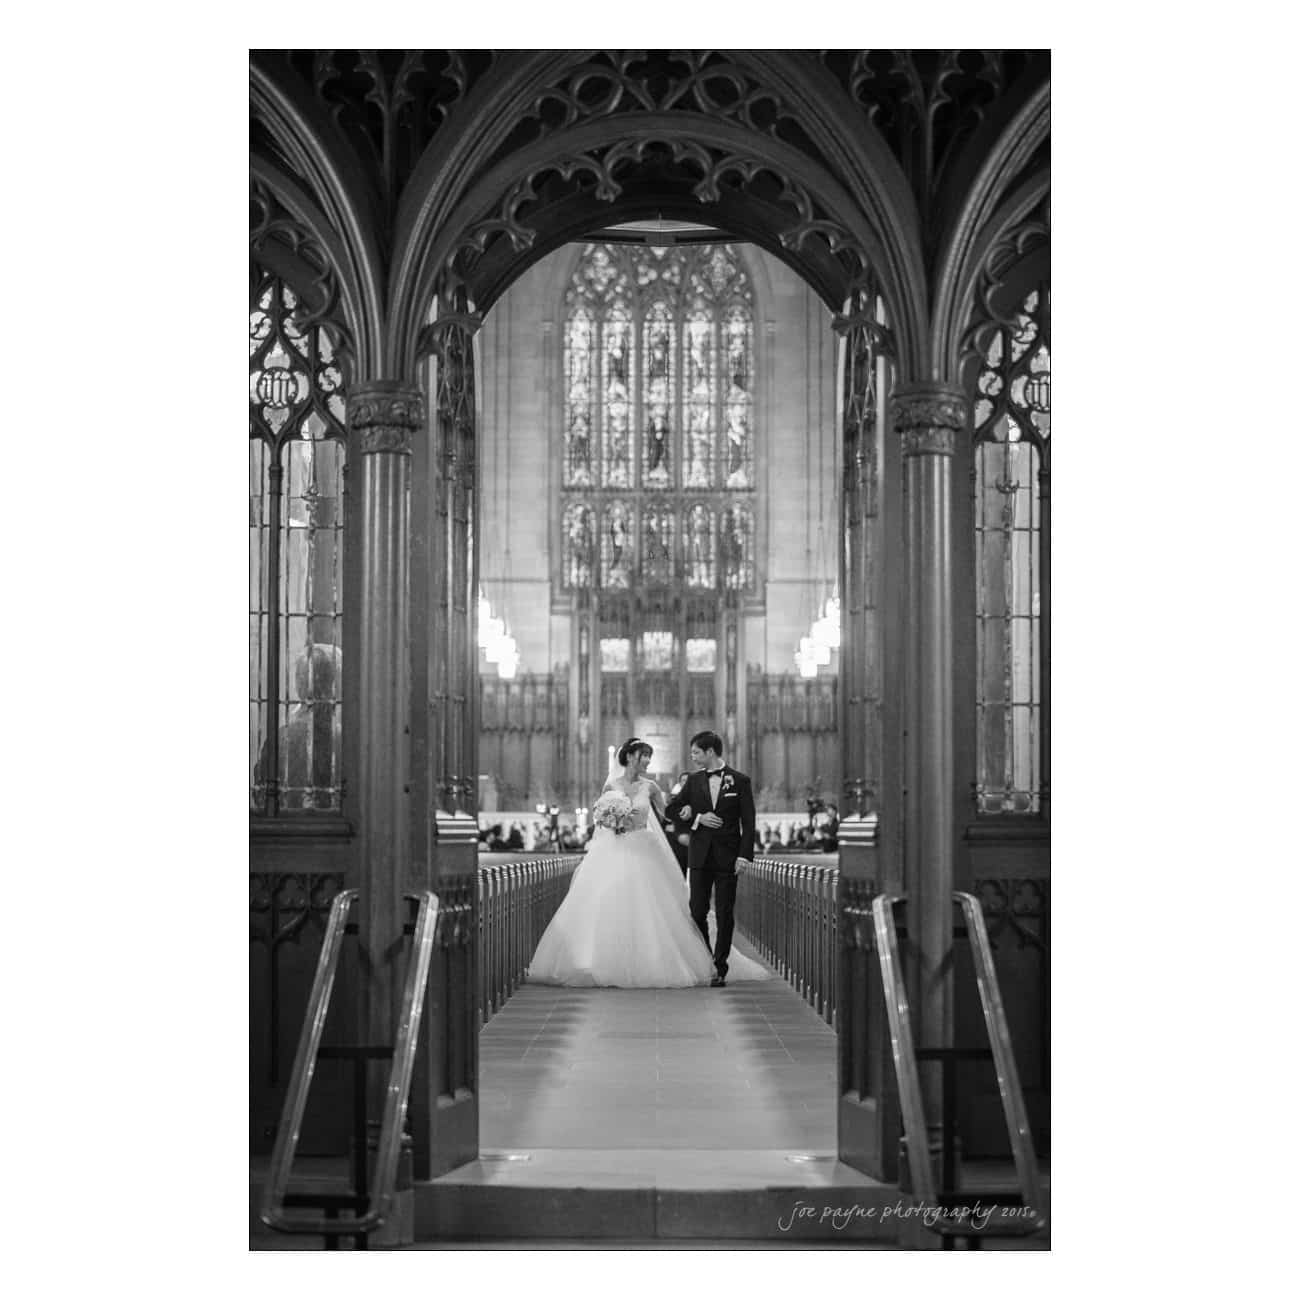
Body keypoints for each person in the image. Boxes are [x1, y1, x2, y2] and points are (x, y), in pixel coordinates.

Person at [527, 737, 767, 989]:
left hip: (644, 849)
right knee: (608, 904)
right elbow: (599, 820)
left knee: (655, 906)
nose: (648, 761)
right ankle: (599, 960)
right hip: (613, 851)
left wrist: (690, 817)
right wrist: (611, 821)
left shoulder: (651, 786)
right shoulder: (611, 785)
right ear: (630, 756)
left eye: (650, 756)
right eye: (645, 756)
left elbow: (669, 813)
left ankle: (709, 963)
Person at [664, 729, 756, 988]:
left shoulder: (740, 781)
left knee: (726, 913)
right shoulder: (692, 781)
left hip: (728, 856)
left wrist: (744, 856)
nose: (692, 757)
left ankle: (720, 966)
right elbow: (671, 809)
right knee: (697, 911)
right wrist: (695, 818)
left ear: (710, 752)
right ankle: (704, 959)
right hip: (700, 856)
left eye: (696, 752)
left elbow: (748, 822)